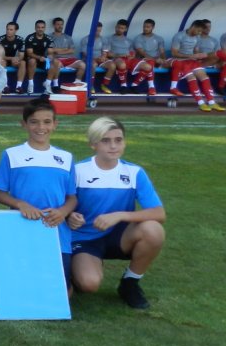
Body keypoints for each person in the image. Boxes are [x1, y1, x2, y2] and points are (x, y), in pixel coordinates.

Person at [68, 117, 166, 309]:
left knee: (154, 230)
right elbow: (63, 205)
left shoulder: (134, 172)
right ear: (93, 144)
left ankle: (130, 283)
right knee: (89, 284)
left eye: (118, 140)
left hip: (121, 237)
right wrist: (70, 216)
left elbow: (159, 212)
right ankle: (78, 269)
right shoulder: (78, 171)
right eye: (106, 140)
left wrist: (120, 216)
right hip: (85, 238)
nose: (113, 146)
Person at [0, 98, 78, 288]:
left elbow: (72, 197)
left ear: (55, 124)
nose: (41, 127)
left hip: (56, 229)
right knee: (19, 282)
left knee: (60, 288)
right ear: (24, 124)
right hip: (21, 225)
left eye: (47, 122)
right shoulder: (12, 154)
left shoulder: (65, 158)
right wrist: (21, 205)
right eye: (34, 122)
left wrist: (63, 212)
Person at [169, 19, 224, 111]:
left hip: (193, 61)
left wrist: (199, 56)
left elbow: (196, 50)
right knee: (192, 78)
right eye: (198, 31)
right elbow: (174, 53)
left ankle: (212, 102)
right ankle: (201, 103)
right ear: (193, 27)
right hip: (181, 61)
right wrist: (191, 56)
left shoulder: (197, 37)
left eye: (200, 32)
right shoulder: (179, 36)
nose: (199, 33)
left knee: (205, 77)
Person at [45, 17, 85, 93]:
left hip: (69, 60)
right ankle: (55, 85)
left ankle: (77, 83)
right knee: (56, 63)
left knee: (82, 65)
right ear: (54, 25)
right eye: (58, 24)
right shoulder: (49, 37)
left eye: (61, 24)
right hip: (56, 60)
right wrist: (65, 49)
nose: (60, 26)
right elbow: (50, 51)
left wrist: (58, 51)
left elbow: (72, 50)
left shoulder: (68, 37)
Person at [99, 19, 137, 93]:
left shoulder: (129, 40)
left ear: (126, 29)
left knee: (147, 66)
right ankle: (123, 85)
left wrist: (132, 56)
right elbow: (107, 53)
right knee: (122, 64)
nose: (119, 29)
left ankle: (135, 86)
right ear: (116, 27)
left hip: (128, 60)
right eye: (118, 27)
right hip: (116, 59)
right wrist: (120, 55)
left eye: (122, 28)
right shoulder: (109, 39)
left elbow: (133, 52)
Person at [20, 20, 53, 94]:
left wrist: (49, 57)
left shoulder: (48, 38)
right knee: (32, 61)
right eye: (38, 27)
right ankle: (31, 84)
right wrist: (39, 57)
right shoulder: (30, 38)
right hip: (32, 59)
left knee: (54, 62)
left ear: (45, 28)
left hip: (43, 60)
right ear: (35, 28)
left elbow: (50, 52)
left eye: (42, 27)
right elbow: (29, 53)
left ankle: (47, 84)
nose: (40, 29)